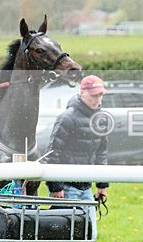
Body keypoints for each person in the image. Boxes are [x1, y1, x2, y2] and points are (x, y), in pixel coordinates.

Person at [45, 75, 110, 205]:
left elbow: (101, 153)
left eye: (100, 95)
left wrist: (102, 184)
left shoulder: (101, 119)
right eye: (94, 95)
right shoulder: (67, 118)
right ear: (82, 93)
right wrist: (56, 187)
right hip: (66, 188)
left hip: (86, 187)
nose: (98, 99)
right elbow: (53, 153)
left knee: (90, 225)